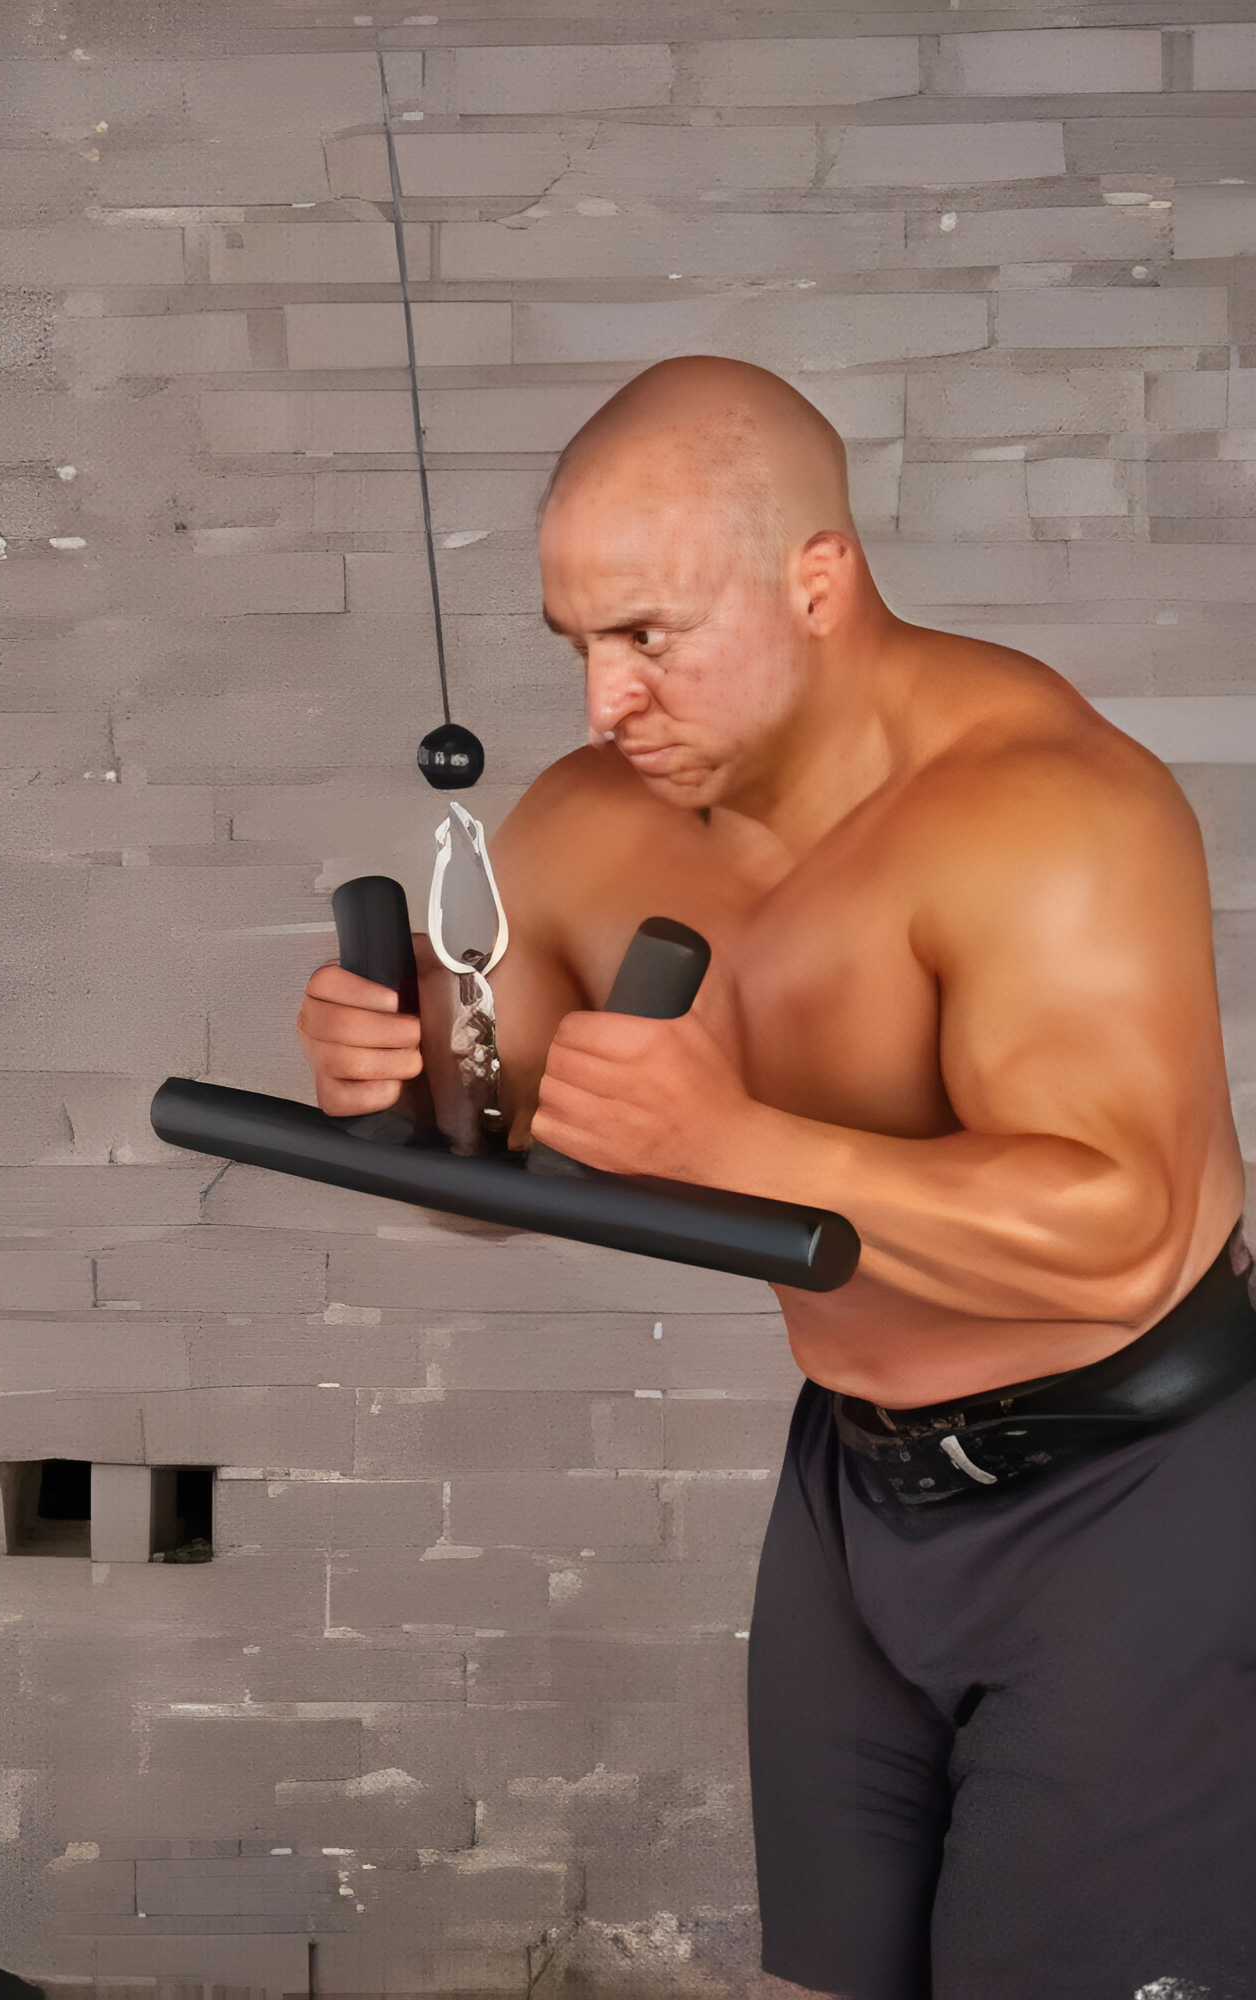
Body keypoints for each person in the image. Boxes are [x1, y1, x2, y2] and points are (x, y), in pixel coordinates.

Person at [295, 355, 1256, 2000]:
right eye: (580, 647)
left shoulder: (1045, 814)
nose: (604, 704)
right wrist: (384, 1084)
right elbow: (479, 1173)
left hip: (1132, 1491)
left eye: (649, 637)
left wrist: (730, 1143)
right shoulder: (592, 825)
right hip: (853, 1494)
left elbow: (1122, 1234)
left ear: (820, 581)